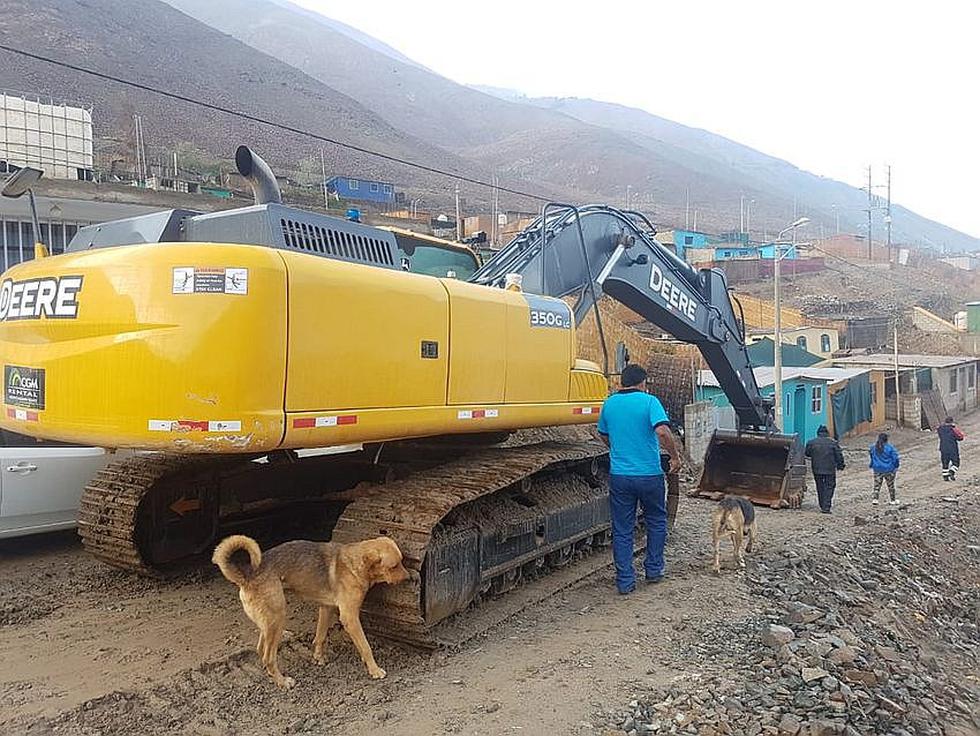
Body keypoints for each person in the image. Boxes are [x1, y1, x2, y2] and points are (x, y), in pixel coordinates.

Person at [597, 363, 681, 595]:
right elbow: (662, 431)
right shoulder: (649, 401)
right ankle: (653, 570)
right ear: (642, 383)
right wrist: (674, 457)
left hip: (620, 476)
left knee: (623, 528)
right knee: (656, 521)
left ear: (621, 382)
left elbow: (603, 434)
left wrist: (617, 449)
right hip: (649, 475)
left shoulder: (610, 403)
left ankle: (625, 581)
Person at [804, 425, 845, 514]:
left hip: (816, 468)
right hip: (830, 469)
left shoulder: (811, 442)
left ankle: (822, 504)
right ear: (827, 433)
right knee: (829, 486)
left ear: (818, 433)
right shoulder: (833, 443)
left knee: (820, 486)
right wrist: (840, 465)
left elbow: (807, 454)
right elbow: (839, 455)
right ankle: (826, 506)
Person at [868, 432, 900, 505]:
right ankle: (892, 500)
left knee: (877, 485)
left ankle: (875, 499)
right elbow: (895, 458)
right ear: (887, 439)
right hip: (889, 469)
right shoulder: (890, 448)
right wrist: (896, 466)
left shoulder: (873, 447)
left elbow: (871, 455)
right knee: (891, 485)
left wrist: (872, 464)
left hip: (877, 468)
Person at [937, 416, 965, 481]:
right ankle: (951, 472)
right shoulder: (953, 429)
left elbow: (939, 430)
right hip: (952, 448)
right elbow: (960, 438)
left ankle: (945, 477)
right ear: (951, 422)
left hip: (943, 448)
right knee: (956, 463)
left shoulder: (940, 429)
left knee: (945, 462)